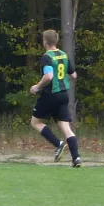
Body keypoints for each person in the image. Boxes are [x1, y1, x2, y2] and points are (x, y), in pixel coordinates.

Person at [29, 30, 82, 167]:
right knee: (66, 128)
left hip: (50, 95)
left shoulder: (47, 57)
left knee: (35, 122)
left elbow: (49, 76)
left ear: (45, 41)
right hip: (64, 95)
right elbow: (74, 75)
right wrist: (63, 79)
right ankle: (76, 158)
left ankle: (58, 144)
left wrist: (37, 87)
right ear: (56, 41)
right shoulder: (63, 55)